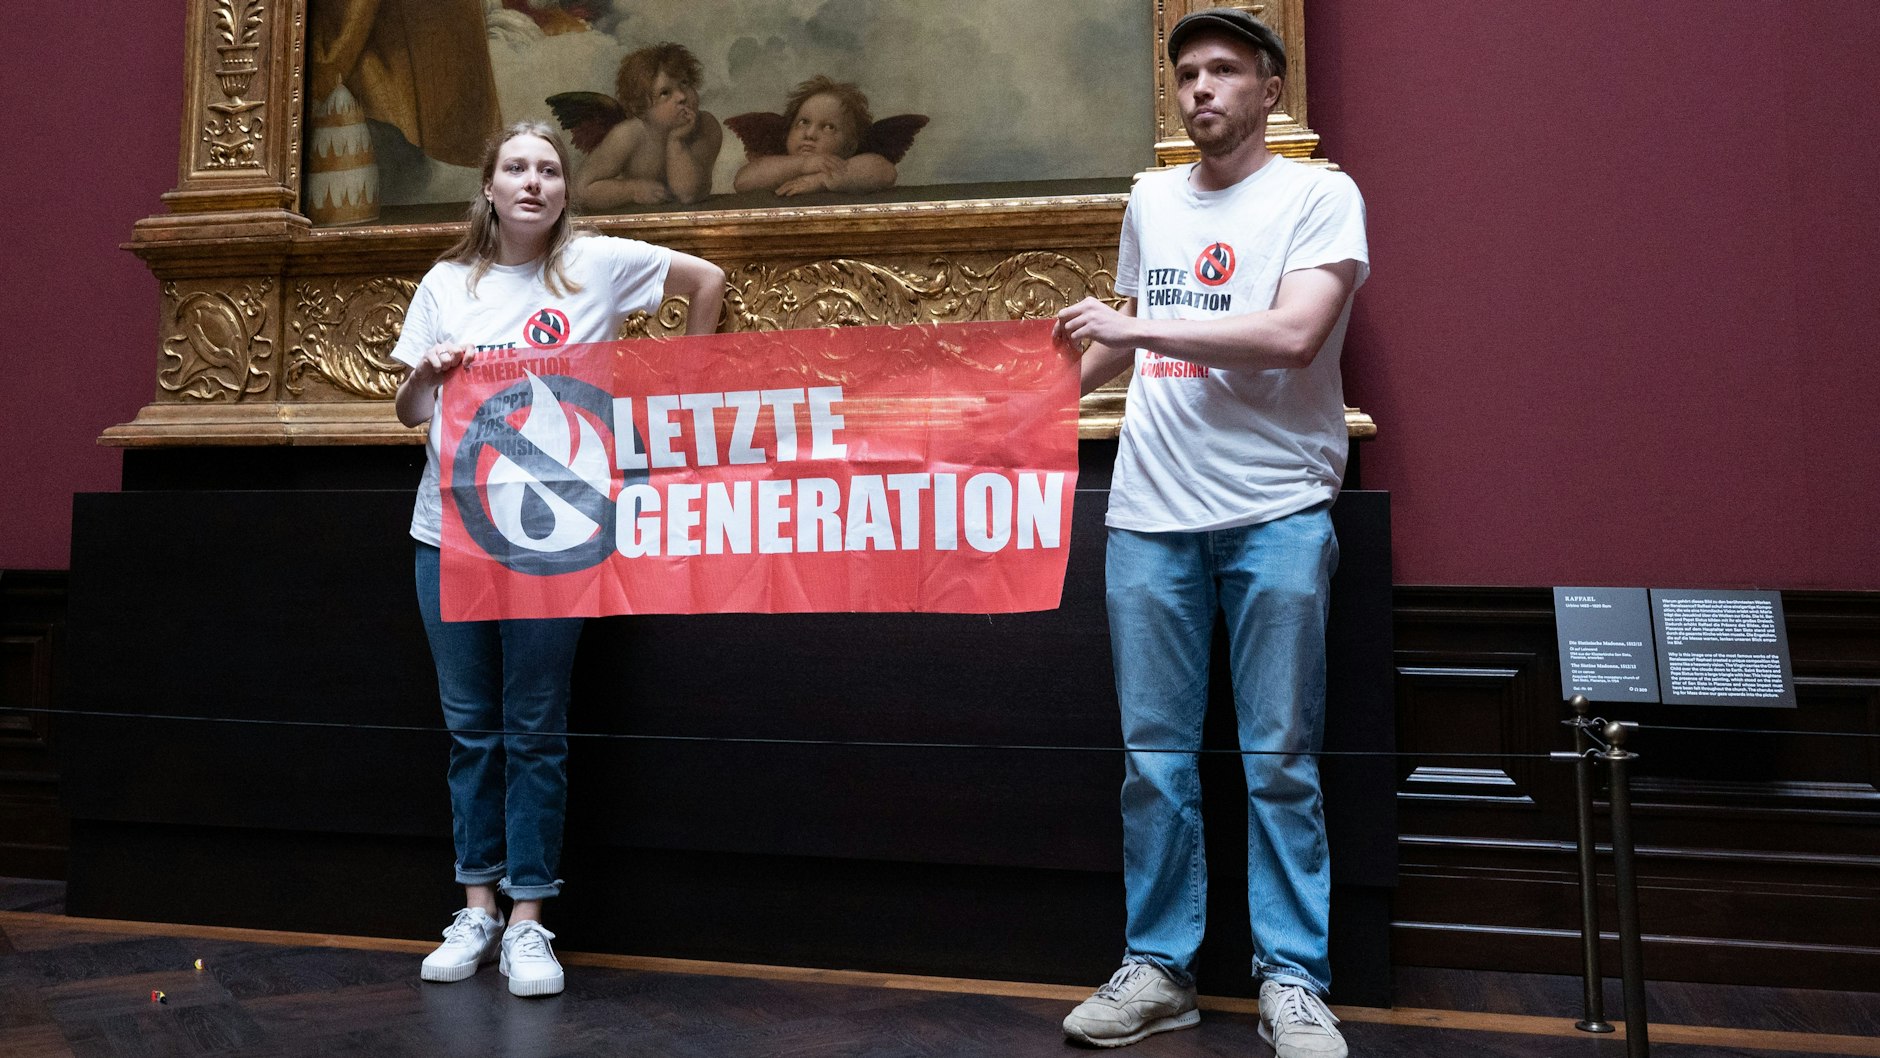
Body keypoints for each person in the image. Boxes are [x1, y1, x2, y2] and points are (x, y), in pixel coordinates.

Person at [1053, 9, 1368, 1057]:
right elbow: (1127, 334)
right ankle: (1158, 969)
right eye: (1186, 73)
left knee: (1278, 758)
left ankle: (1290, 978)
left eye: (1223, 71)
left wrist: (1128, 324)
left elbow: (1289, 333)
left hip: (1275, 511)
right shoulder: (1152, 199)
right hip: (1147, 515)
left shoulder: (1319, 195)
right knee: (1154, 763)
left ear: (1267, 90)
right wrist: (997, 396)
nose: (1200, 89)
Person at [392, 120, 726, 997]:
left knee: (536, 728)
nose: (533, 182)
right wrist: (427, 370)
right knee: (472, 729)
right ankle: (475, 908)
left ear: (566, 189)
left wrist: (677, 384)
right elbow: (409, 414)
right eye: (516, 168)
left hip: (556, 542)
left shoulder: (596, 266)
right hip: (449, 536)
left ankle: (530, 920)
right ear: (490, 187)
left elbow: (708, 280)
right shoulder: (445, 283)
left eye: (548, 170)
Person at [570, 42, 724, 208]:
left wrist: (676, 141)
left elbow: (688, 194)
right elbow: (581, 190)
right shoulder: (627, 135)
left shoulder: (707, 126)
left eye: (685, 83)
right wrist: (633, 190)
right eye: (665, 93)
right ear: (640, 109)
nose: (681, 96)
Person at [728, 76, 923, 197]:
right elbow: (743, 181)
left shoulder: (851, 165)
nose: (810, 134)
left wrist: (821, 181)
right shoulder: (776, 166)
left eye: (828, 127)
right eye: (803, 122)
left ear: (850, 145)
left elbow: (885, 171)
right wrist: (803, 165)